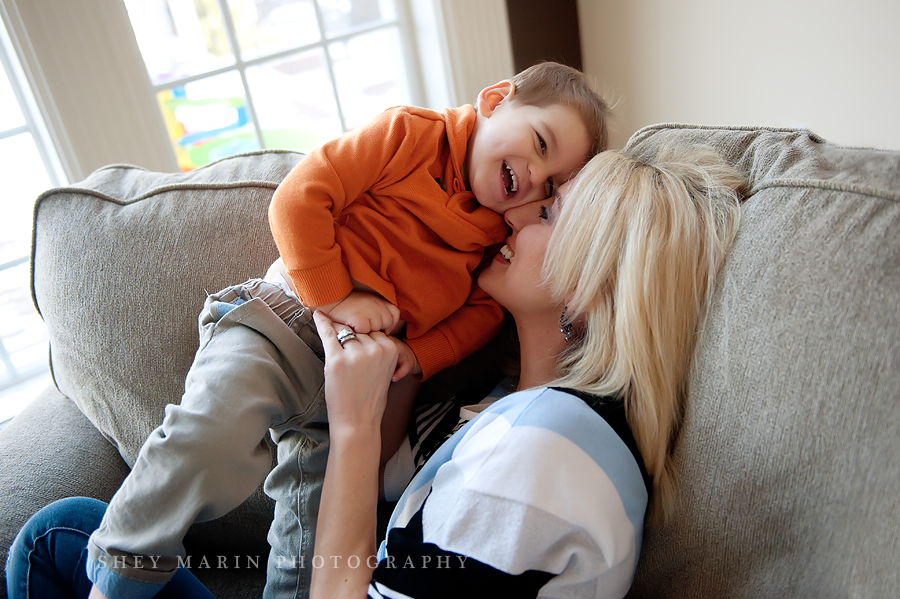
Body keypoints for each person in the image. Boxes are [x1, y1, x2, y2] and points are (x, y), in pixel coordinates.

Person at [7, 143, 745, 598]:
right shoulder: (500, 398)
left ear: (593, 285)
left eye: (549, 215)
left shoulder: (544, 451)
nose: (514, 216)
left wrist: (354, 427)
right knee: (67, 532)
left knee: (54, 546)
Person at [28, 62, 609, 599]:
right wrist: (339, 296)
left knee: (308, 543)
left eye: (550, 188)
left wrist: (415, 354)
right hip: (285, 325)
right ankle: (121, 570)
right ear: (494, 99)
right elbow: (299, 198)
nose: (532, 179)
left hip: (344, 394)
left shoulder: (493, 233)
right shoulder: (409, 134)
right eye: (538, 145)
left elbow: (478, 318)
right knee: (204, 440)